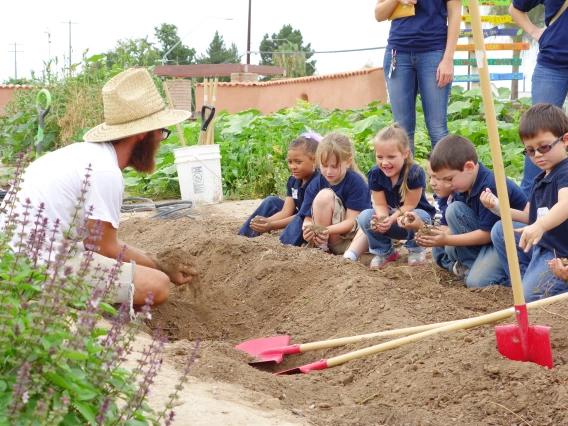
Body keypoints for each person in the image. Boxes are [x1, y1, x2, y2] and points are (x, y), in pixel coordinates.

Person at [0, 68, 197, 315]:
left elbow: (99, 242)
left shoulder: (84, 154)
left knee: (144, 270)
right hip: (33, 268)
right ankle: (84, 308)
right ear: (142, 134)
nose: (161, 139)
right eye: (161, 131)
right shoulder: (106, 172)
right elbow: (105, 249)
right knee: (157, 285)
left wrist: (155, 260)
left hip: (15, 257)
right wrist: (161, 269)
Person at [419, 134, 528, 287]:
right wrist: (432, 234)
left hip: (507, 243)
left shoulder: (490, 186)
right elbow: (458, 224)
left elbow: (485, 235)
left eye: (449, 179)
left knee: (476, 282)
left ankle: (494, 274)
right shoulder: (462, 185)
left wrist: (446, 239)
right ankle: (472, 265)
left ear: (469, 167)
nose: (447, 185)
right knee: (446, 234)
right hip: (485, 240)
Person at [484, 103, 568, 302]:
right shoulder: (540, 179)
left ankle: (552, 288)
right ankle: (526, 283)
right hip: (542, 247)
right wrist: (497, 207)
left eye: (544, 147)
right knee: (501, 229)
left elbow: (565, 204)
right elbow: (527, 217)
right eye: (530, 151)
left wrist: (540, 226)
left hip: (558, 254)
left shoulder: (565, 172)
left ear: (565, 140)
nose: (538, 154)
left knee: (529, 299)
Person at [375, 0, 462, 153]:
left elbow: (455, 14)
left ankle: (443, 176)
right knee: (402, 131)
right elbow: (379, 14)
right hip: (398, 53)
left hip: (434, 52)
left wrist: (448, 59)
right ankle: (408, 177)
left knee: (437, 128)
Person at [344, 124, 435, 269]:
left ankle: (416, 248)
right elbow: (380, 204)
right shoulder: (375, 174)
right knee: (365, 216)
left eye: (391, 157)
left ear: (405, 154)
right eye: (380, 157)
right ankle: (384, 251)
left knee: (419, 214)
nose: (385, 162)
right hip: (392, 222)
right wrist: (382, 219)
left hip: (413, 221)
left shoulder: (414, 173)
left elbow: (409, 205)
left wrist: (390, 219)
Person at [509, 0, 568, 196]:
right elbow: (515, 8)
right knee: (538, 132)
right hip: (552, 63)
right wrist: (536, 33)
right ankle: (530, 199)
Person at [237, 132, 320, 246]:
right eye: (290, 162)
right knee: (271, 201)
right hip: (297, 216)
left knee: (299, 218)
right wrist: (267, 221)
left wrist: (271, 225)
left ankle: (283, 247)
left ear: (314, 160)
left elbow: (302, 215)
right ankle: (243, 238)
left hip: (310, 221)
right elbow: (286, 211)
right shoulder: (293, 181)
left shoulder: (317, 182)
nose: (292, 166)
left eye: (298, 162)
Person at [299, 133, 372, 255]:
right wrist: (308, 229)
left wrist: (325, 230)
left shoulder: (356, 182)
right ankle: (321, 247)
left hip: (349, 241)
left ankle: (326, 246)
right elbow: (307, 218)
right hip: (323, 240)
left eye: (334, 166)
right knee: (323, 196)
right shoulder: (316, 183)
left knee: (325, 195)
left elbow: (351, 222)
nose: (328, 171)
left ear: (348, 162)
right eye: (324, 165)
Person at [398, 153, 456, 273]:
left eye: (437, 177)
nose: (432, 183)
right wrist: (421, 226)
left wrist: (422, 227)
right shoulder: (444, 196)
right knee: (437, 250)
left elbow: (453, 232)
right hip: (454, 238)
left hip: (470, 239)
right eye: (430, 177)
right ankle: (455, 266)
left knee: (446, 246)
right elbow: (444, 230)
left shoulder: (459, 198)